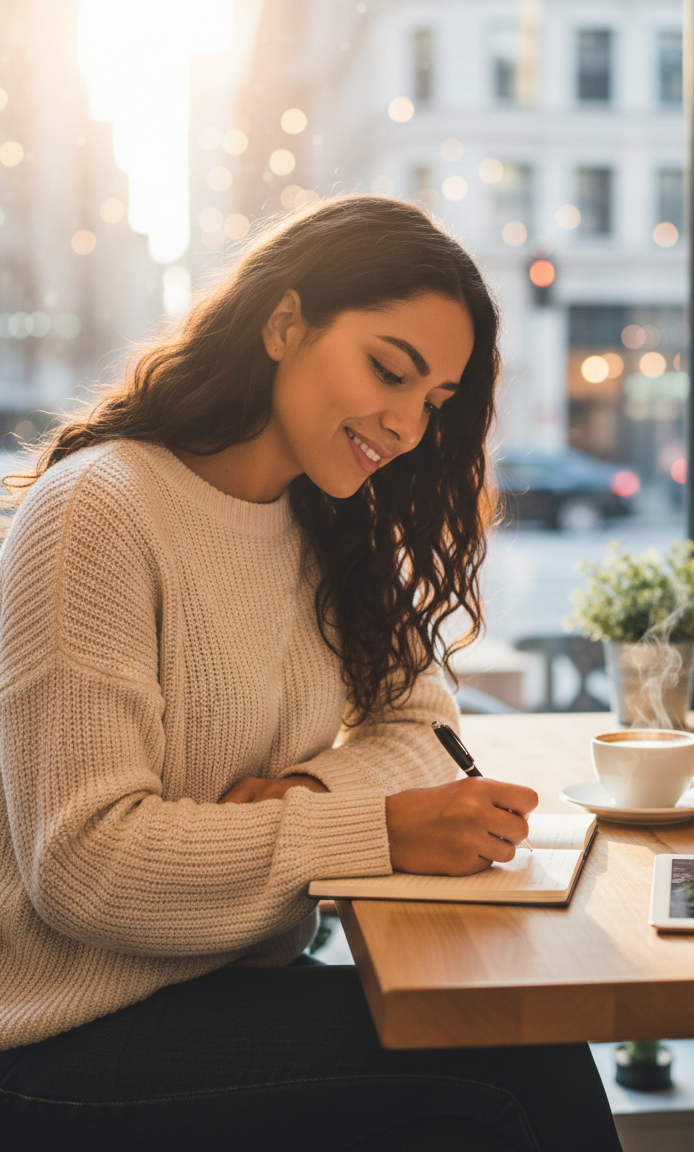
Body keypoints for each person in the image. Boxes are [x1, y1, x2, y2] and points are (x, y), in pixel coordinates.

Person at [0, 196, 622, 1151]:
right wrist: (371, 828)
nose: (409, 425)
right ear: (283, 323)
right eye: (389, 370)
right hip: (65, 1033)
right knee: (520, 1060)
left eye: (434, 402)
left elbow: (425, 730)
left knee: (476, 1104)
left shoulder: (332, 523)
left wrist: (303, 791)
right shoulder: (101, 508)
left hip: (233, 987)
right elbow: (84, 866)